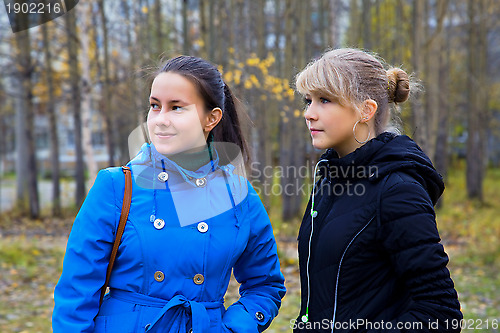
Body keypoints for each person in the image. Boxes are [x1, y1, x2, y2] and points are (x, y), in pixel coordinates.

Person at [52, 55, 286, 333]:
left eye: (176, 108)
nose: (160, 120)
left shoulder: (240, 198)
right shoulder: (116, 186)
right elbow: (76, 294)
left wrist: (233, 328)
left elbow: (265, 285)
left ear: (211, 118)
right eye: (154, 106)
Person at [293, 48, 462, 332]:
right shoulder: (328, 179)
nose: (309, 114)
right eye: (308, 101)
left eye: (325, 100)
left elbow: (440, 313)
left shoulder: (398, 190)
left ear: (366, 110)